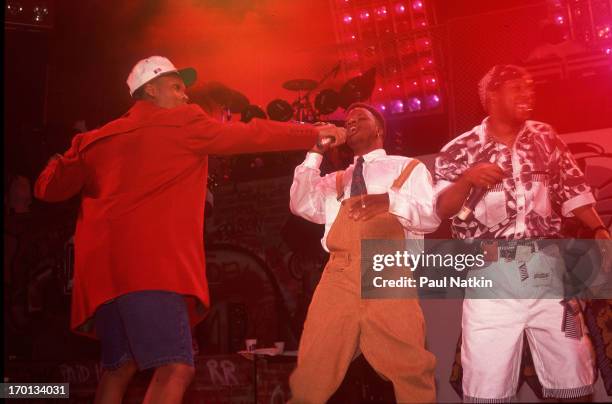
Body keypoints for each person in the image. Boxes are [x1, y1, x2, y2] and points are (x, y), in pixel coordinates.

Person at [34, 55, 342, 404]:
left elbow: (47, 190)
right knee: (176, 369)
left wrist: (65, 155)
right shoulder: (181, 122)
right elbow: (252, 135)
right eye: (177, 87)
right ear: (150, 90)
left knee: (118, 369)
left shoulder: (95, 140)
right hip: (151, 271)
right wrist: (315, 132)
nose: (186, 97)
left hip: (102, 281)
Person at [435, 64, 611, 402]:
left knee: (572, 372)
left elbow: (572, 189)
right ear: (491, 96)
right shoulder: (461, 149)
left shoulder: (545, 137)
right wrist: (467, 179)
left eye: (530, 87)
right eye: (518, 87)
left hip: (547, 271)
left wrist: (599, 229)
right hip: (491, 276)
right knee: (487, 386)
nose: (528, 93)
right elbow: (442, 208)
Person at [288, 102, 439, 403]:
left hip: (387, 268)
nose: (351, 121)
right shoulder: (336, 179)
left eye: (361, 118)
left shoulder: (407, 167)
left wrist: (390, 203)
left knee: (410, 367)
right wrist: (315, 152)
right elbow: (300, 203)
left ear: (379, 130)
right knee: (312, 366)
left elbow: (430, 217)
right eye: (348, 119)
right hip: (338, 272)